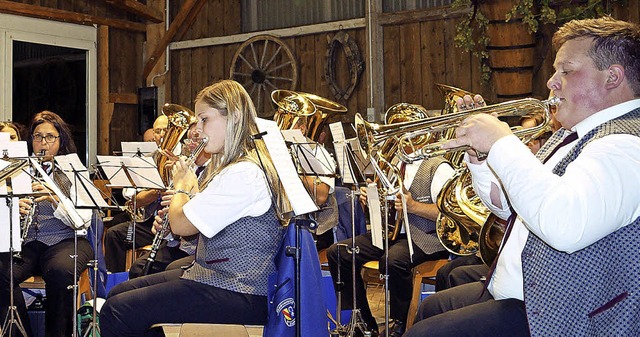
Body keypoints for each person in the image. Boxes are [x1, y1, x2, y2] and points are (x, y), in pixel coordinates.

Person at [405, 16, 640, 336]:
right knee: (432, 307)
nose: (552, 82)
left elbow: (564, 225)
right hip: (526, 292)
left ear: (612, 77)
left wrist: (501, 142)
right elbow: (510, 207)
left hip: (564, 313)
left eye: (566, 71)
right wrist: (481, 156)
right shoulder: (572, 136)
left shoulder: (625, 146)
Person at [99, 79, 287, 336]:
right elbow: (194, 227)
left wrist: (182, 188)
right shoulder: (232, 167)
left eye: (204, 120)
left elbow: (182, 225)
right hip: (219, 277)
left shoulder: (245, 173)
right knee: (119, 293)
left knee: (118, 310)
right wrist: (185, 205)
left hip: (240, 289)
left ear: (233, 117)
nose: (197, 129)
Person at [327, 103, 455, 337]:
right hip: (391, 235)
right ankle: (362, 323)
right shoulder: (393, 164)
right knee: (340, 252)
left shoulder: (438, 166)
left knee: (393, 260)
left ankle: (400, 323)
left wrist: (413, 206)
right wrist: (371, 199)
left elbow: (448, 213)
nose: (398, 138)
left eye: (404, 131)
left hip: (426, 237)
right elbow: (385, 208)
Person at [0, 111, 94, 337]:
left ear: (61, 140)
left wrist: (56, 198)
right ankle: (18, 332)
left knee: (60, 272)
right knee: (1, 272)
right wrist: (12, 207)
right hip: (27, 242)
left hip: (66, 239)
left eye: (50, 137)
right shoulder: (16, 170)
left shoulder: (73, 170)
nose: (43, 142)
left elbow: (83, 222)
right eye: (37, 136)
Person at [127, 123, 210, 278]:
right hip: (179, 242)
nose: (193, 135)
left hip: (197, 249)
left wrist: (184, 192)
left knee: (160, 271)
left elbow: (202, 217)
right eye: (189, 138)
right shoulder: (187, 169)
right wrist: (168, 232)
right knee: (138, 268)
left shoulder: (213, 172)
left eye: (203, 121)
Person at [103, 114, 170, 272]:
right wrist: (156, 191)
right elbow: (135, 201)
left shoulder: (184, 157)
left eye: (165, 130)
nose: (161, 135)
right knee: (113, 234)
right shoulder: (148, 160)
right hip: (150, 222)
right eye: (157, 131)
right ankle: (116, 283)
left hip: (173, 226)